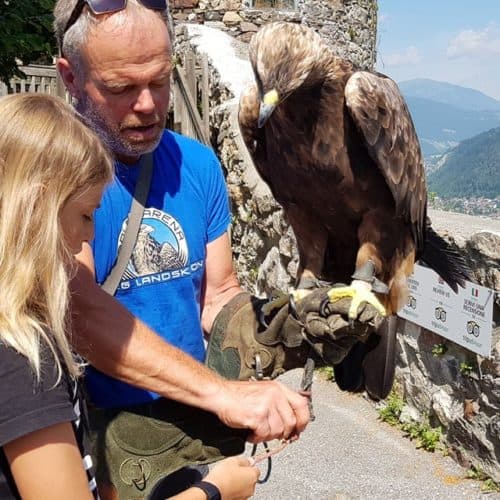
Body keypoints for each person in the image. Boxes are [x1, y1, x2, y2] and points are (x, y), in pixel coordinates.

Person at [53, 1, 378, 498]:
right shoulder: (49, 174)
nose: (147, 105)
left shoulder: (196, 165)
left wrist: (281, 329)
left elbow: (217, 294)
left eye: (160, 80)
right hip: (95, 443)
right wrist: (225, 394)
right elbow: (82, 313)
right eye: (121, 88)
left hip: (195, 434)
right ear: (70, 78)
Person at [0, 92, 261, 500]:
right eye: (86, 215)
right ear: (36, 207)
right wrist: (215, 490)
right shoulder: (22, 360)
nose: (88, 235)